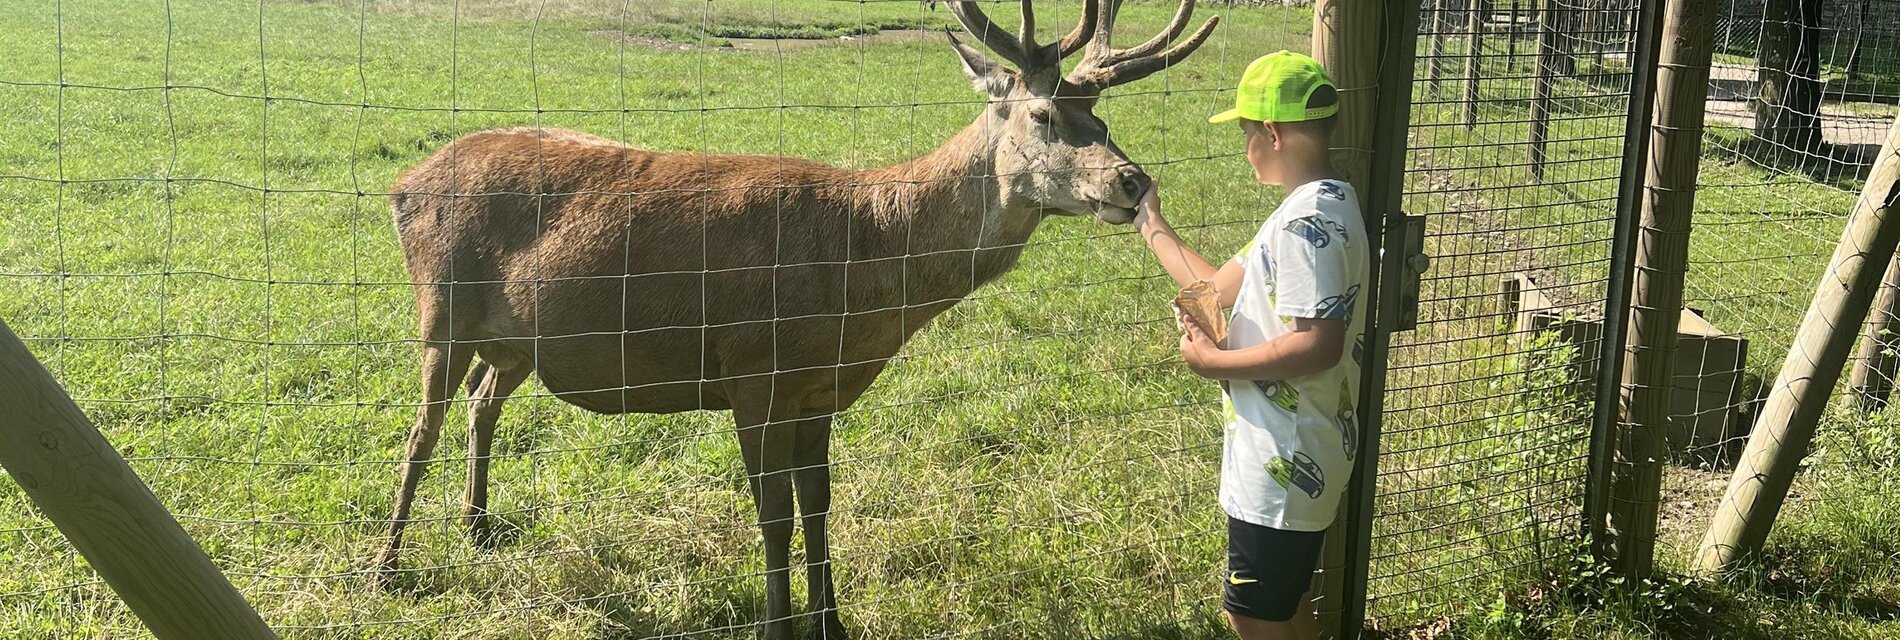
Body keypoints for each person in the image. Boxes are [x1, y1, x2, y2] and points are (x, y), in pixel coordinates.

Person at [1131, 50, 1368, 640]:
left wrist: (1216, 364)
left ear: (1272, 132)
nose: (1244, 148)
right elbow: (1211, 290)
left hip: (1284, 462)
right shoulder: (1324, 207)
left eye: (1245, 133)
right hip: (1296, 449)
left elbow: (1318, 344)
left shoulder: (1299, 228)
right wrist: (1151, 223)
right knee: (1284, 608)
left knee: (1251, 613)